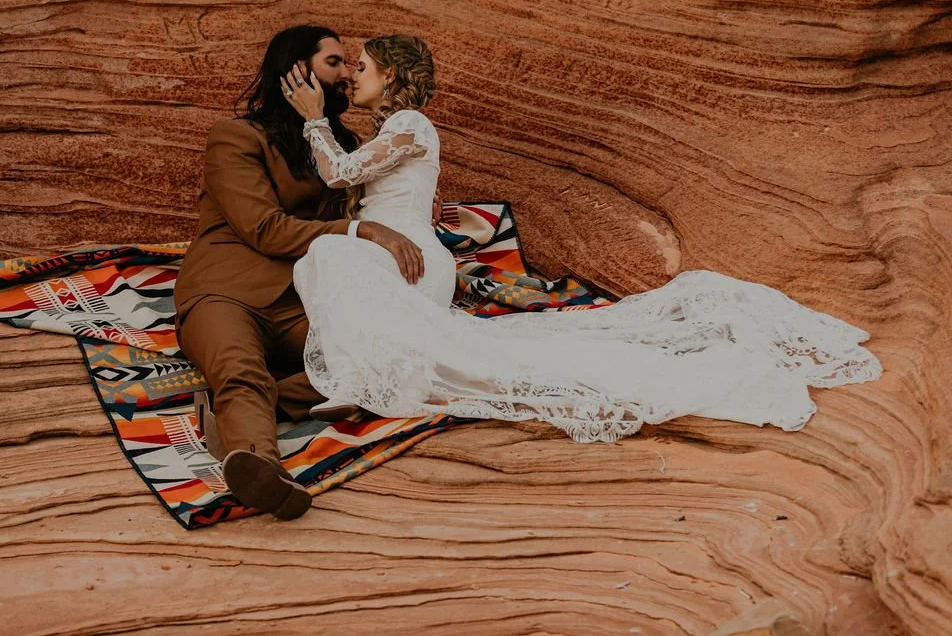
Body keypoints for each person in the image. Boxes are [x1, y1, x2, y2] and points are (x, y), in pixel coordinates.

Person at [283, 34, 884, 448]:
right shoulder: (394, 130)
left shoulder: (411, 124)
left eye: (361, 67)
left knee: (331, 254)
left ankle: (365, 381)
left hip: (407, 256)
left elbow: (339, 173)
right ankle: (367, 378)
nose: (352, 77)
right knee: (344, 264)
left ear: (390, 76)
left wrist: (312, 116)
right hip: (399, 253)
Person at [173, 26, 440, 521]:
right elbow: (265, 228)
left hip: (303, 298)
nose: (346, 76)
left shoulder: (339, 148)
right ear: (295, 71)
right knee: (240, 371)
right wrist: (363, 229)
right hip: (225, 292)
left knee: (379, 363)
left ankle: (246, 409)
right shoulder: (236, 137)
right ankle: (263, 470)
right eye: (335, 63)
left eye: (351, 66)